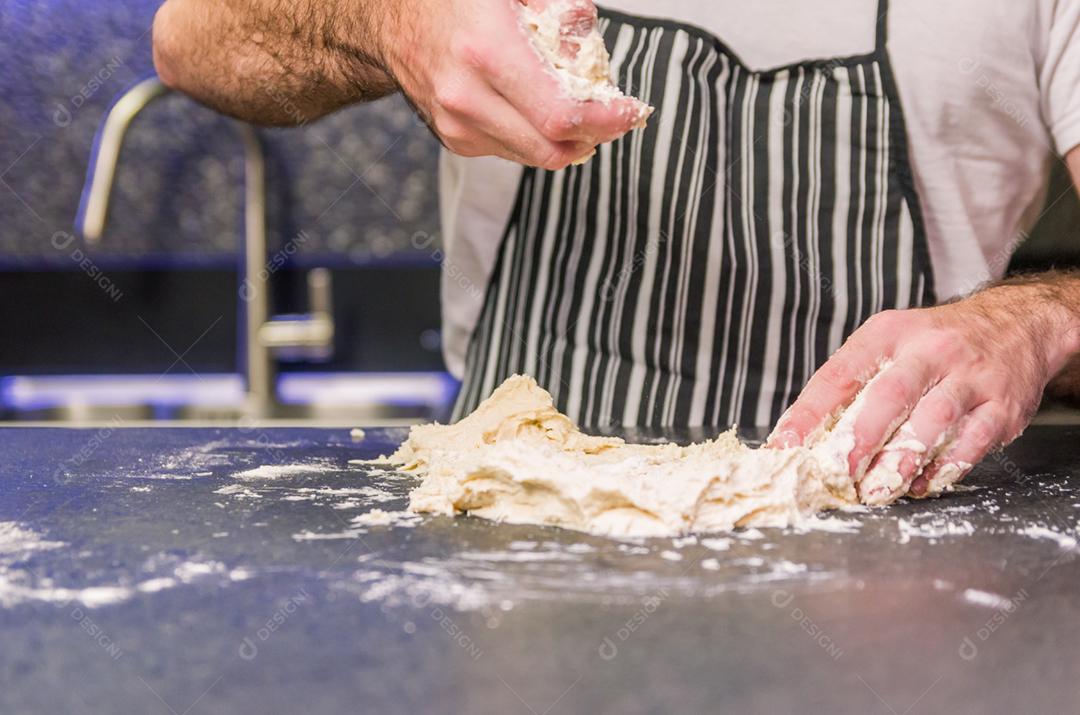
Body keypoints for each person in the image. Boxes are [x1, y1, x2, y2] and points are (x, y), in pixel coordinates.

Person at [152, 0, 1080, 502]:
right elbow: (191, 39)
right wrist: (388, 20)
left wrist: (1038, 320)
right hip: (514, 515)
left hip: (879, 548)